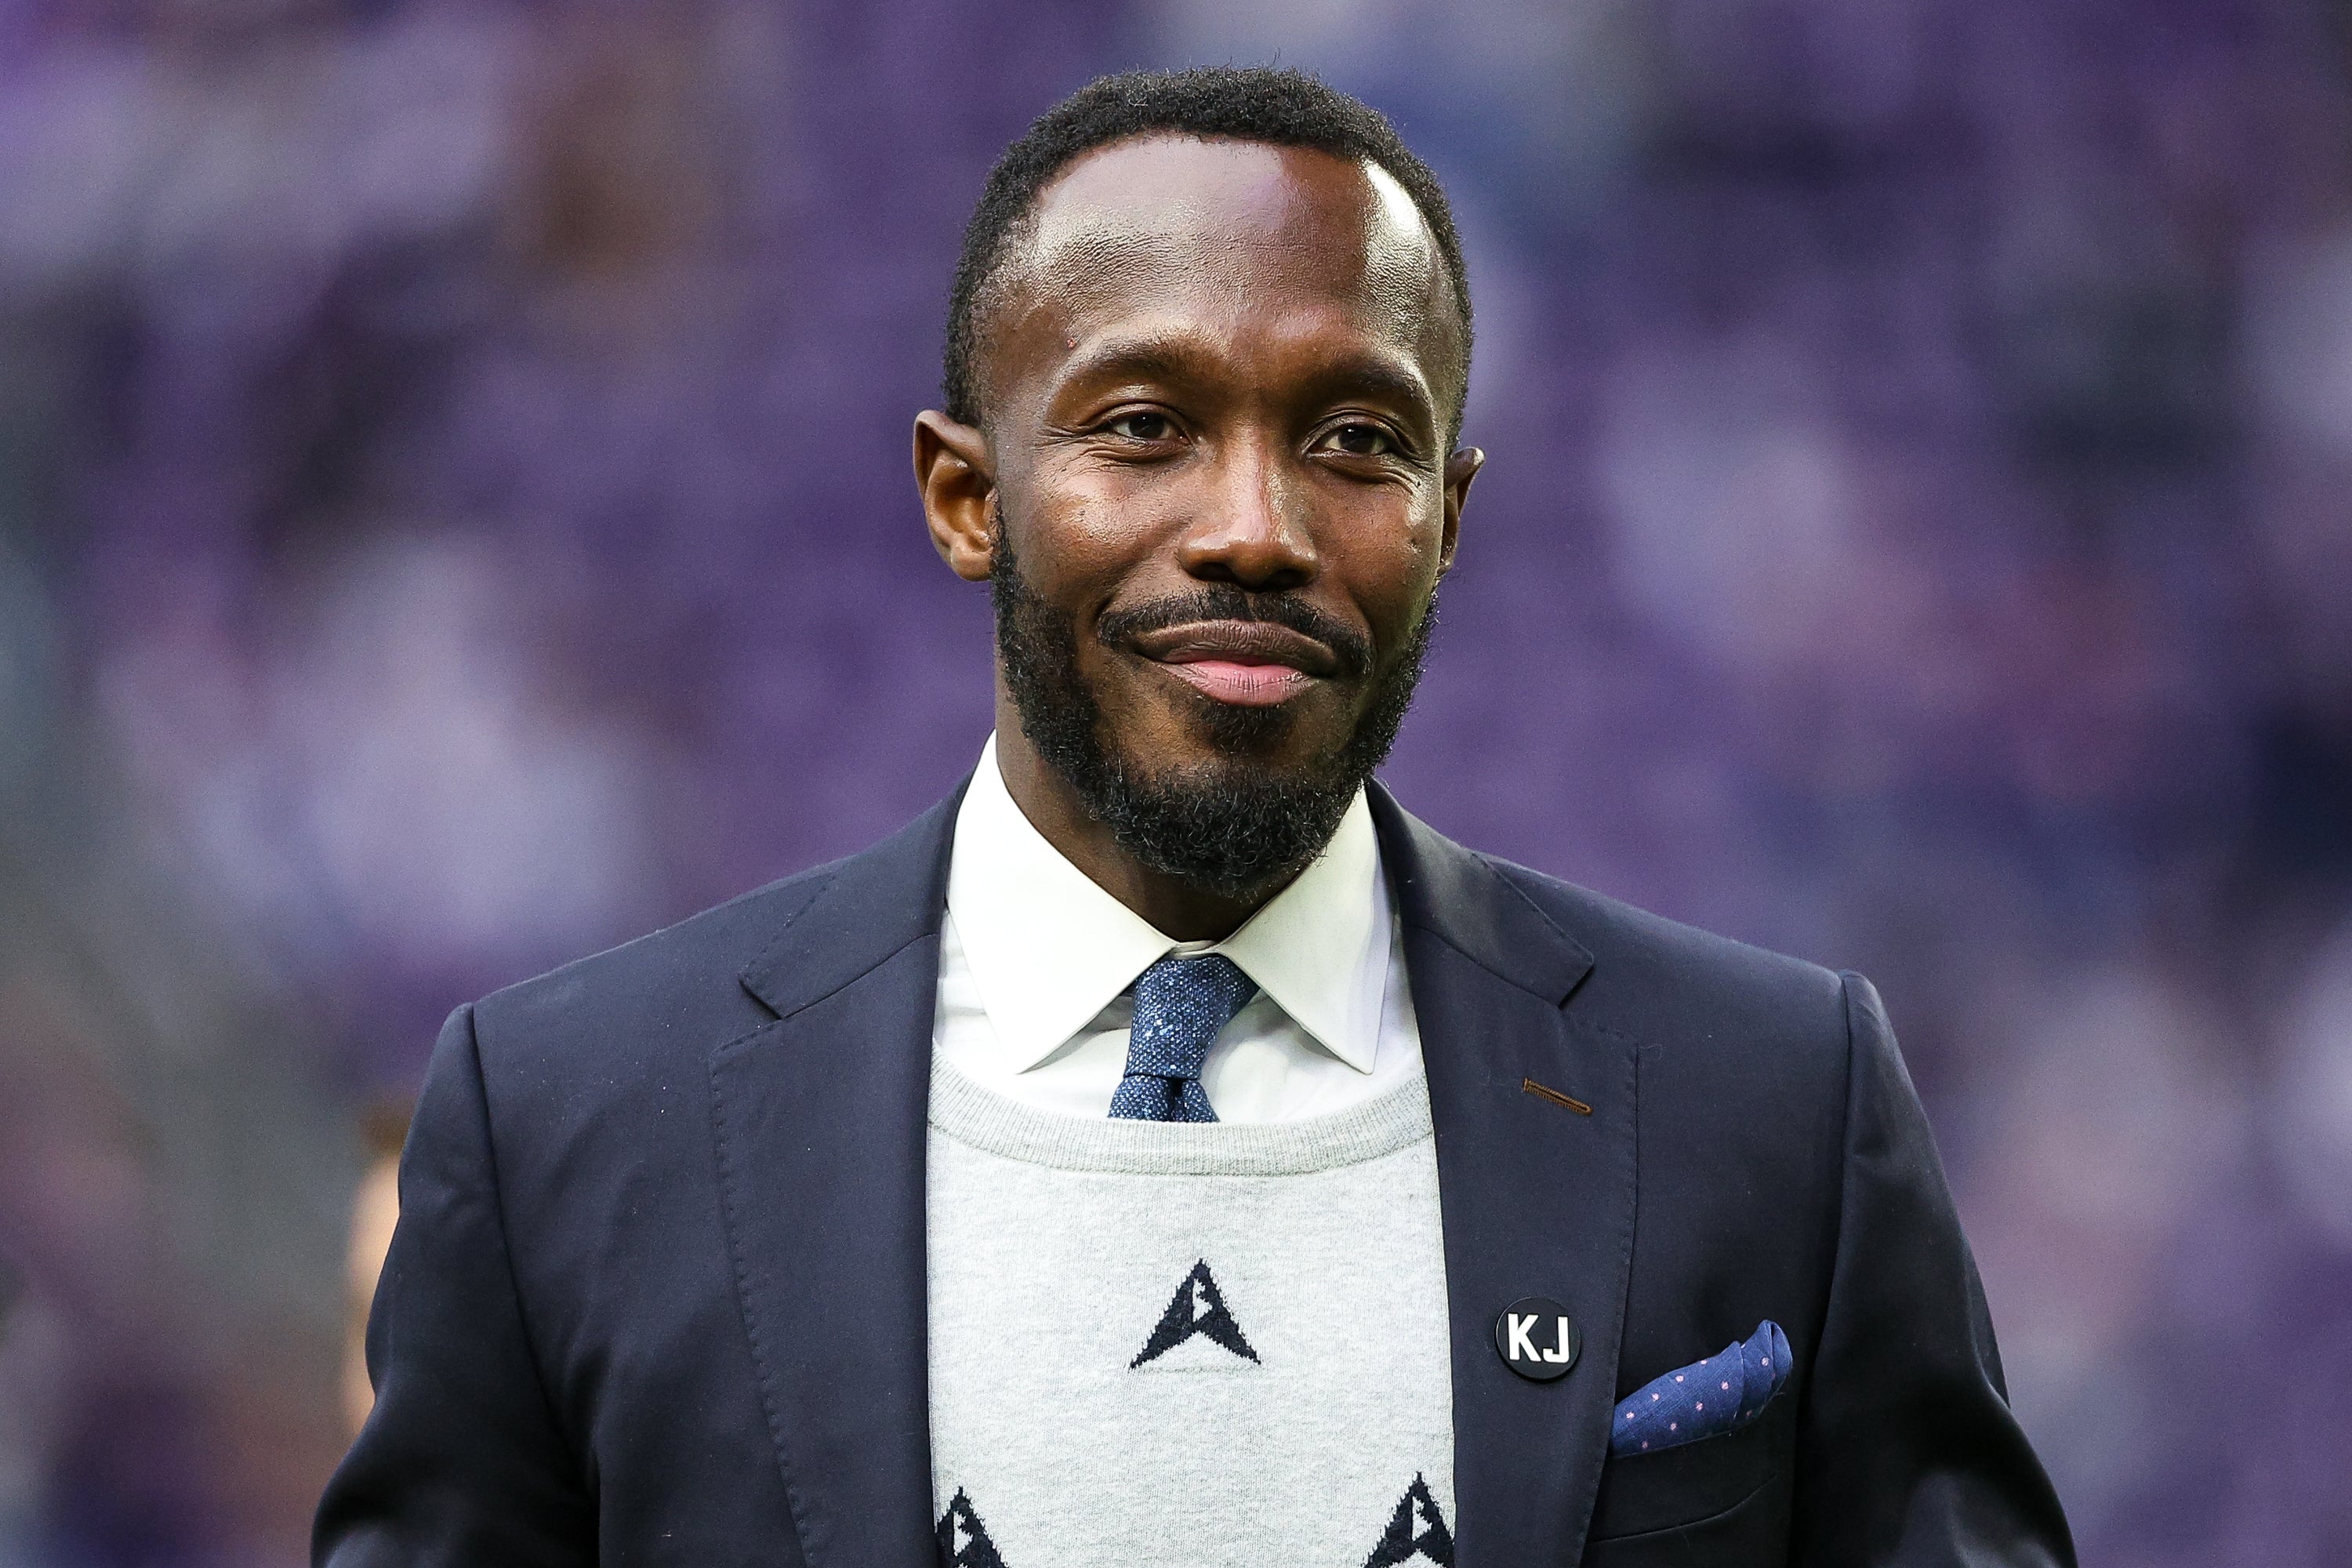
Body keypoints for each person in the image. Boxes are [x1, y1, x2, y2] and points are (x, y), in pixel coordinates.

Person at [314, 67, 2074, 1568]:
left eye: (1358, 440)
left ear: (1452, 519)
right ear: (963, 495)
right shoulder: (559, 1132)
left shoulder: (1774, 1099)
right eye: (1146, 424)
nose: (1256, 524)